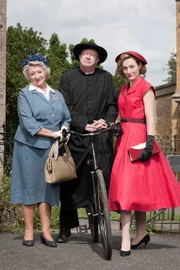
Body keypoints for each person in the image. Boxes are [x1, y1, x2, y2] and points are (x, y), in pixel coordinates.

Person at [108, 51, 180, 257]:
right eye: (125, 68)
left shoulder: (146, 88)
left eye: (132, 66)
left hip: (139, 139)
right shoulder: (123, 88)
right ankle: (140, 233)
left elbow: (151, 117)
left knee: (129, 189)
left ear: (140, 66)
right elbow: (121, 115)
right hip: (123, 140)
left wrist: (149, 142)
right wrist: (114, 126)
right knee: (129, 187)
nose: (129, 71)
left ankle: (124, 239)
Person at [56, 42, 118, 243]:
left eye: (92, 55)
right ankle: (66, 227)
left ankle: (101, 205)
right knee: (69, 179)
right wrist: (83, 124)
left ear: (98, 59)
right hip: (75, 133)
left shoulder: (106, 78)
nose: (89, 57)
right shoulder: (68, 77)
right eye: (85, 54)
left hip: (100, 134)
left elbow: (111, 104)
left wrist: (106, 122)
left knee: (105, 168)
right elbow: (64, 106)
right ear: (79, 57)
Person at [11, 54, 71, 247]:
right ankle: (28, 231)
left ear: (46, 72)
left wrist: (63, 129)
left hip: (50, 149)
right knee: (29, 188)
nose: (37, 76)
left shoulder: (57, 94)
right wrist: (52, 134)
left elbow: (66, 118)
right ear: (28, 76)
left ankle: (46, 232)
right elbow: (28, 123)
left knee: (47, 188)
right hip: (29, 148)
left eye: (39, 71)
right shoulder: (24, 94)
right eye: (32, 73)